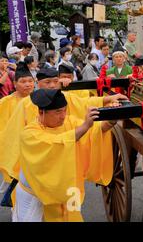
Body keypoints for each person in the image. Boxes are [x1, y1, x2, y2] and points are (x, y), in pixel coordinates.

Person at [0, 67, 127, 184]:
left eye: (55, 81)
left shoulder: (66, 108)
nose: (52, 85)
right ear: (38, 83)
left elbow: (84, 105)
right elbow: (15, 134)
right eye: (47, 82)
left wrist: (109, 104)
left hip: (63, 160)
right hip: (36, 162)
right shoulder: (27, 107)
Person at [13, 89, 116, 222]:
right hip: (35, 196)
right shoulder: (29, 133)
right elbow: (55, 144)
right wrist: (85, 126)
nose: (62, 116)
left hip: (65, 190)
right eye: (57, 112)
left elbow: (94, 131)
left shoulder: (69, 122)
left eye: (64, 110)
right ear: (41, 112)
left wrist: (110, 122)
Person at [0, 64, 34, 193]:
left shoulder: (39, 99)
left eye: (30, 81)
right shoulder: (5, 102)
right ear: (15, 83)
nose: (27, 84)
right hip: (14, 145)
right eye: (23, 81)